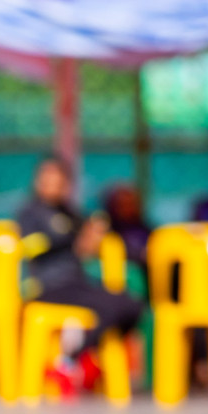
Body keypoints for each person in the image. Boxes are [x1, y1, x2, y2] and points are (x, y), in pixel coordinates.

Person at [16, 157, 143, 374]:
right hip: (48, 285)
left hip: (76, 281)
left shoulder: (70, 213)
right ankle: (71, 357)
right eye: (46, 179)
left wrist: (90, 240)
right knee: (109, 306)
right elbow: (29, 246)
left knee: (131, 304)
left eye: (57, 179)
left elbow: (83, 249)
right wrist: (70, 239)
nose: (52, 184)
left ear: (66, 183)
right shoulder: (30, 213)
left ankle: (79, 350)